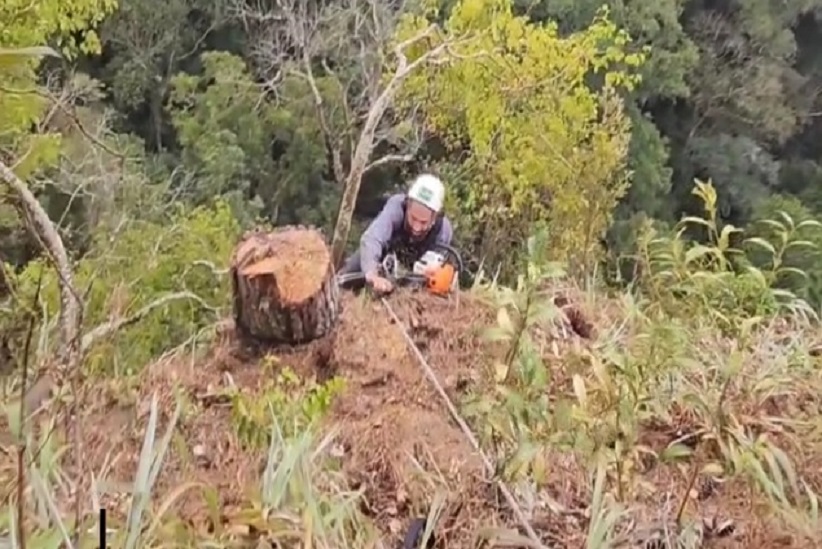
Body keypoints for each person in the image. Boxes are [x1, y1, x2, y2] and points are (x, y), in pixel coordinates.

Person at [339, 173, 454, 293]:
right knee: (351, 272)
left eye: (423, 222)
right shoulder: (396, 207)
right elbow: (372, 238)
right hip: (381, 258)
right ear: (408, 205)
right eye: (413, 218)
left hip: (413, 276)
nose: (416, 227)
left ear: (434, 217)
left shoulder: (443, 231)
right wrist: (372, 273)